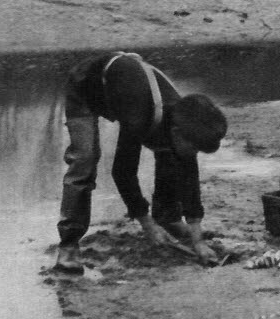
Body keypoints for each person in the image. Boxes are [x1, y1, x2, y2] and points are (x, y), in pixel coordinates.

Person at [55, 51, 228, 274]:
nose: (194, 153)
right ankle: (69, 245)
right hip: (85, 87)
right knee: (85, 159)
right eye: (194, 147)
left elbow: (189, 175)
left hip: (127, 91)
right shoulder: (138, 116)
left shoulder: (184, 118)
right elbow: (123, 172)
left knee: (174, 155)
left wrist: (198, 240)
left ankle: (167, 218)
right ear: (177, 132)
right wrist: (146, 224)